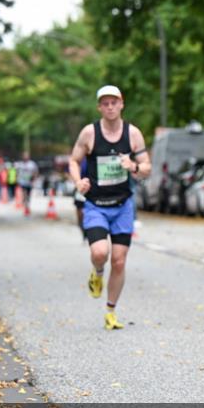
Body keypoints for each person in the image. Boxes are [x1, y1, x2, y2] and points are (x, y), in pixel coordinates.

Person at [69, 85, 151, 330]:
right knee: (99, 253)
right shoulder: (89, 133)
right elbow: (74, 160)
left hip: (123, 206)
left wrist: (133, 166)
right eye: (105, 103)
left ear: (122, 104)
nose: (110, 107)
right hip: (96, 205)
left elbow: (147, 167)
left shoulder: (133, 134)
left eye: (114, 102)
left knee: (119, 260)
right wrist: (77, 181)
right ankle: (96, 272)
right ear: (99, 107)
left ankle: (110, 312)